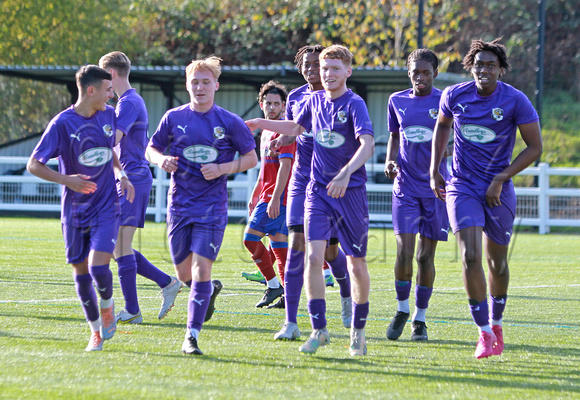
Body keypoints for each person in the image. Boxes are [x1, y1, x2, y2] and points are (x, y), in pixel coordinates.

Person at [246, 45, 374, 356]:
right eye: (324, 68)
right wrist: (261, 124)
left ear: (348, 72)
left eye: (333, 68)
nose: (327, 73)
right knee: (312, 259)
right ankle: (318, 330)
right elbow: (294, 127)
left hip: (349, 193)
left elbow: (367, 143)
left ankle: (357, 332)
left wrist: (345, 173)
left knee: (355, 264)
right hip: (316, 191)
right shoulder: (311, 100)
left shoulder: (355, 104)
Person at [430, 38, 542, 359]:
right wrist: (435, 168)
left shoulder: (515, 100)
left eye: (491, 65)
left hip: (498, 190)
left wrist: (501, 178)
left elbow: (535, 147)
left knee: (498, 262)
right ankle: (482, 333)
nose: (484, 70)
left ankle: (497, 322)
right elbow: (441, 128)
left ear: (501, 70)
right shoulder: (454, 95)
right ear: (471, 67)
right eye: (479, 64)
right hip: (462, 184)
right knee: (468, 256)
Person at [147, 56, 258, 355]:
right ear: (187, 85)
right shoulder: (173, 117)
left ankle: (191, 337)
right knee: (184, 275)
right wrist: (161, 160)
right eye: (194, 82)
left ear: (216, 86)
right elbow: (151, 148)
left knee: (200, 269)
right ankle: (209, 291)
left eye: (205, 82)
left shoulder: (229, 121)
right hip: (179, 207)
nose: (200, 87)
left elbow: (251, 158)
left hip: (211, 209)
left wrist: (222, 169)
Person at [27, 65, 135, 351]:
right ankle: (95, 332)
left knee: (97, 266)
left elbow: (108, 150)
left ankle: (108, 305)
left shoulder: (109, 116)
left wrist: (121, 174)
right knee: (80, 273)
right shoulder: (62, 124)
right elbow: (33, 164)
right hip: (74, 211)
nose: (112, 96)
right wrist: (66, 180)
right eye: (108, 90)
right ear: (91, 90)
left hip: (106, 205)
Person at [271, 45, 353, 342]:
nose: (310, 69)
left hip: (328, 184)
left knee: (331, 253)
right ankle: (291, 322)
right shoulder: (295, 97)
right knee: (296, 248)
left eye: (315, 64)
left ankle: (346, 290)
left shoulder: (342, 98)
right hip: (301, 181)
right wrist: (281, 139)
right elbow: (294, 129)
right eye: (305, 64)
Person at [98, 51, 183, 325]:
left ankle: (133, 310)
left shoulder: (129, 103)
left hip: (132, 180)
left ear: (111, 74)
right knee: (115, 247)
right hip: (128, 178)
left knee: (120, 245)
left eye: (102, 76)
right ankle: (167, 282)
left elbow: (113, 140)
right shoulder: (128, 101)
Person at [383, 49, 449, 342]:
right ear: (408, 73)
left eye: (425, 72)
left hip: (436, 189)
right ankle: (401, 309)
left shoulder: (446, 101)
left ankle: (420, 320)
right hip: (405, 188)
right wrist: (389, 159)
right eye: (415, 72)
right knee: (404, 252)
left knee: (425, 257)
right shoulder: (396, 100)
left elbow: (454, 140)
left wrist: (439, 164)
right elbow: (395, 136)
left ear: (435, 72)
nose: (420, 78)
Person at [243, 81, 295, 309]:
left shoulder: (286, 130)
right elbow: (265, 169)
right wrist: (255, 193)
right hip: (268, 196)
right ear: (261, 104)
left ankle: (273, 284)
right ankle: (287, 296)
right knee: (280, 249)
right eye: (268, 103)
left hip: (278, 198)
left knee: (250, 239)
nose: (272, 107)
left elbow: (286, 167)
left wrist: (275, 198)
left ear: (284, 106)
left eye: (277, 103)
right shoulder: (265, 133)